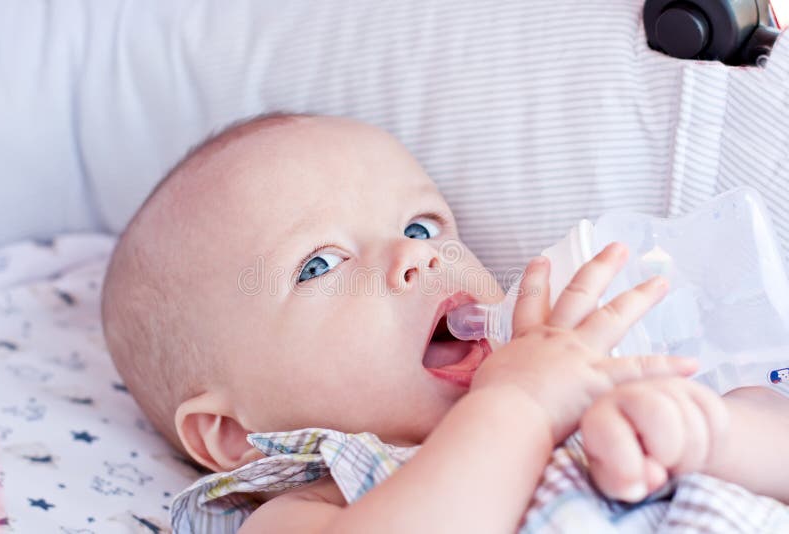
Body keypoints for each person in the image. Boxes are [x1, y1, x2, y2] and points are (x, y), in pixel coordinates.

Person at [101, 113, 789, 533]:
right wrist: (518, 404)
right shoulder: (315, 503)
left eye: (421, 224)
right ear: (232, 435)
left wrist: (709, 432)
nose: (415, 255)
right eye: (320, 264)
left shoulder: (576, 377)